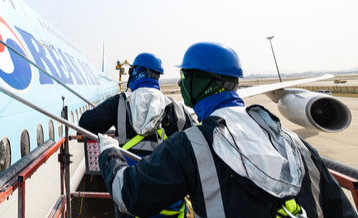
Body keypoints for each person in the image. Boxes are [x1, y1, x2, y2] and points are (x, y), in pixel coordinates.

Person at [98, 42, 358, 218]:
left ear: (201, 83)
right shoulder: (294, 143)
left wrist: (110, 153)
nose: (180, 83)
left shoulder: (192, 145)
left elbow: (129, 193)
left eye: (185, 77)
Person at [79, 52, 195, 217]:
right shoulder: (176, 109)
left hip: (130, 199)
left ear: (136, 72)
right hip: (169, 205)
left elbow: (86, 123)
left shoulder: (119, 102)